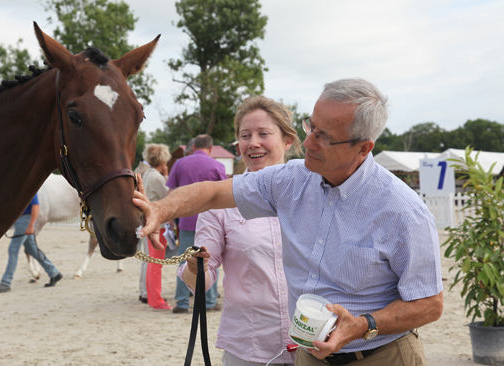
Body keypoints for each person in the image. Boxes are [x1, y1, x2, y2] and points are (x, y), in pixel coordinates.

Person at [135, 78, 443, 365]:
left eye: (324, 137)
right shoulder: (290, 180)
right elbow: (213, 193)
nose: (308, 143)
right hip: (308, 355)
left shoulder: (403, 212)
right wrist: (160, 211)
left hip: (379, 355)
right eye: (311, 127)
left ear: (362, 148)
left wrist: (363, 325)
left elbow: (430, 303)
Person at [178, 96, 302, 365]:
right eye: (245, 135)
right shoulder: (219, 203)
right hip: (249, 348)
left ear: (287, 141)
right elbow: (201, 280)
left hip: (314, 346)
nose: (253, 142)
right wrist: (196, 269)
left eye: (263, 134)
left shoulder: (311, 194)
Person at [166, 134, 228, 314]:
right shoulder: (217, 165)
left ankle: (182, 302)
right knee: (210, 261)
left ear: (193, 148)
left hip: (186, 220)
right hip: (211, 222)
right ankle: (209, 302)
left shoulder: (179, 164)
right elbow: (226, 194)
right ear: (210, 148)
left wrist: (170, 217)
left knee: (185, 262)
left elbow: (171, 191)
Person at [0, 193, 63, 293]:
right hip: (22, 220)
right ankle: (54, 273)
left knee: (13, 250)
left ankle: (6, 282)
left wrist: (31, 225)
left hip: (25, 221)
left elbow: (36, 206)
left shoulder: (30, 187)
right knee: (32, 249)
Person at [141, 143, 173, 310]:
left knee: (152, 261)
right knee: (156, 263)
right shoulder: (156, 177)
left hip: (148, 222)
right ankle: (157, 300)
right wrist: (167, 177)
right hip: (158, 225)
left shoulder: (148, 174)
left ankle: (152, 297)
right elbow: (167, 196)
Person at [134, 157, 151, 304]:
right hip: (147, 220)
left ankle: (143, 291)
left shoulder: (139, 170)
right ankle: (145, 292)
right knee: (149, 259)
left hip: (142, 220)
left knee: (146, 258)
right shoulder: (147, 173)